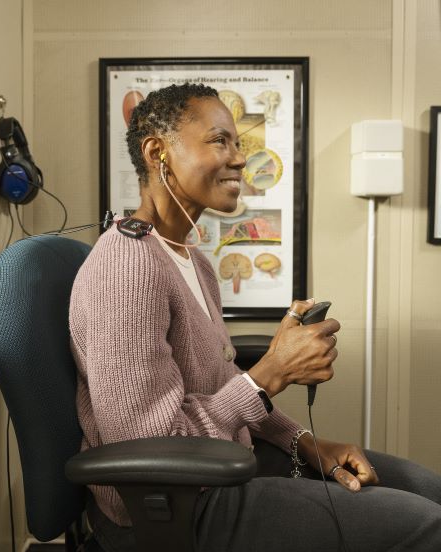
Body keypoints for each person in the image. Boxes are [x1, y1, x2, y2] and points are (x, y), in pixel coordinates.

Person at [69, 83, 441, 551]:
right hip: (170, 505)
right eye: (219, 140)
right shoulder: (126, 266)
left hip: (222, 464)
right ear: (156, 151)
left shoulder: (193, 260)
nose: (240, 159)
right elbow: (150, 446)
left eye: (238, 143)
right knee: (427, 524)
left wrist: (303, 442)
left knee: (426, 488)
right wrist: (270, 373)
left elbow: (221, 378)